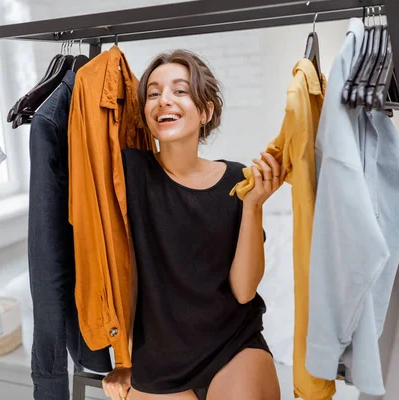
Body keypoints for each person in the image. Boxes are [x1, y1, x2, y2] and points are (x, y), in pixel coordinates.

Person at [103, 49, 284, 400]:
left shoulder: (236, 178)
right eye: (153, 93)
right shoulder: (129, 172)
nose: (163, 100)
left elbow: (244, 291)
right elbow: (111, 269)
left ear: (206, 111)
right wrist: (119, 357)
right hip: (157, 360)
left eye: (179, 90)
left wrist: (253, 206)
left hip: (232, 346)